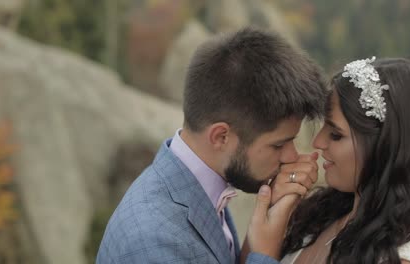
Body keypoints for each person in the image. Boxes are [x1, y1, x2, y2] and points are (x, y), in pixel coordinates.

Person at [96, 27, 328, 264]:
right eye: (278, 145)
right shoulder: (155, 242)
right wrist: (264, 256)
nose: (292, 156)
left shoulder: (195, 188)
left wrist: (267, 221)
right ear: (220, 137)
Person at [279, 57, 410, 264]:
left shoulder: (397, 258)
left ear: (383, 147)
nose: (318, 142)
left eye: (336, 134)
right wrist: (275, 215)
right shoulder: (318, 216)